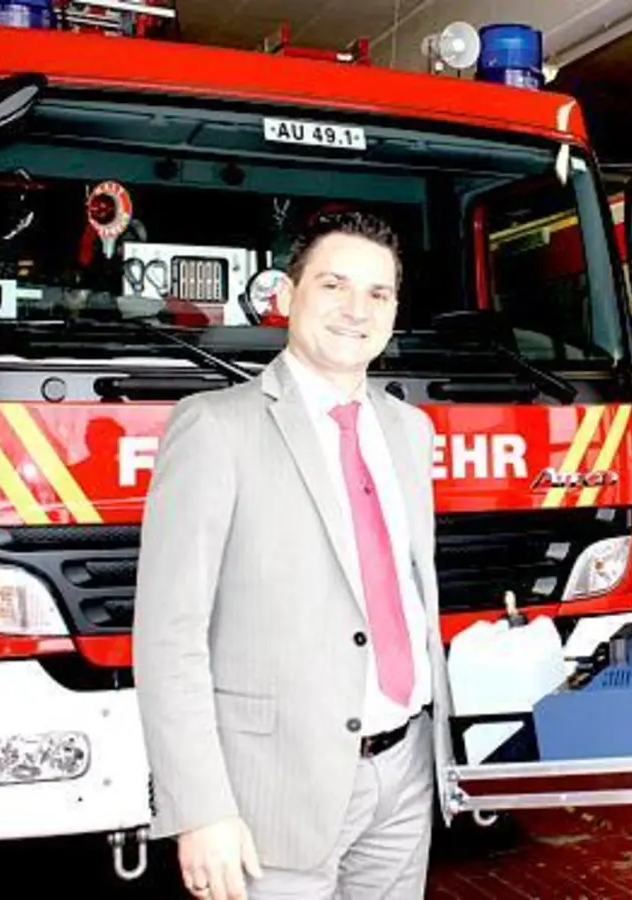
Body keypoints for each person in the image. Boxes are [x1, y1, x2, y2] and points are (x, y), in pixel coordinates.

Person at [132, 211, 453, 900]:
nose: (355, 310)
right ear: (287, 294)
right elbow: (169, 636)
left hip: (404, 774)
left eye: (378, 293)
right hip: (269, 793)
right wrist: (201, 809)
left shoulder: (410, 432)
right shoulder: (216, 428)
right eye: (334, 285)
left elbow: (398, 593)